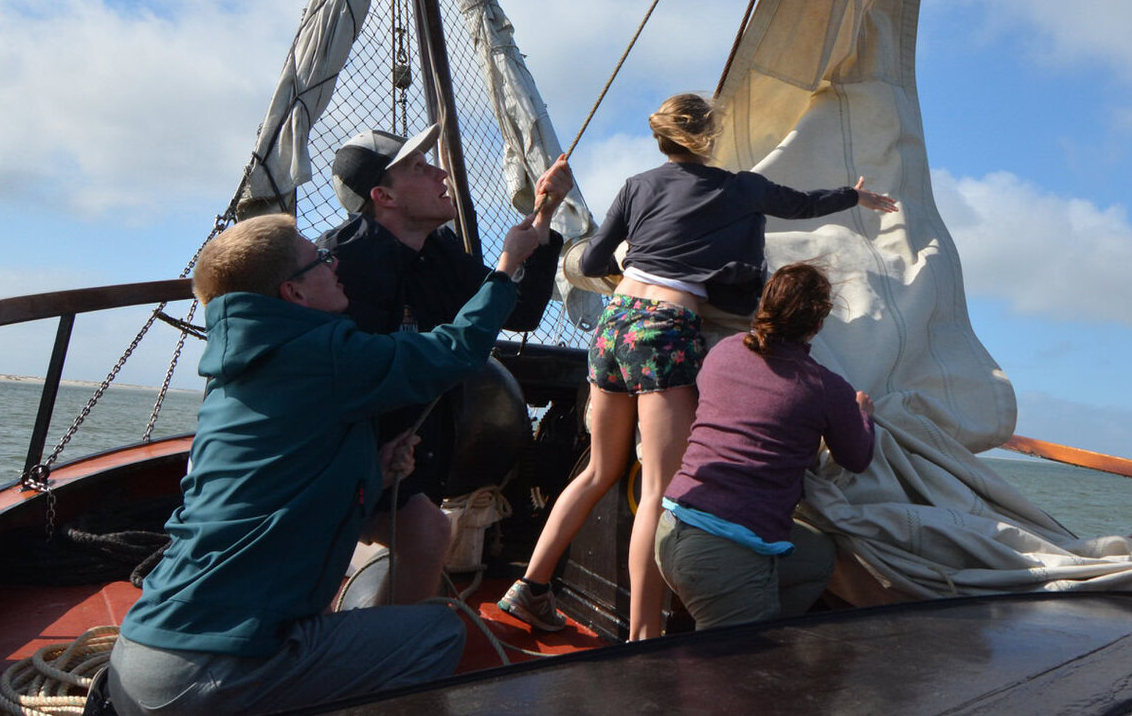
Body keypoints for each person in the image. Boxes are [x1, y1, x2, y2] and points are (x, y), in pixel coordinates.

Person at [105, 211, 542, 716]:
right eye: (322, 260)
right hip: (204, 676)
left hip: (137, 660)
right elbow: (454, 350)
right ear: (294, 292)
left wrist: (372, 472)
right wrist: (509, 264)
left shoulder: (235, 369)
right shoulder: (325, 355)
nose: (336, 266)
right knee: (437, 633)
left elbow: (281, 486)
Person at [498, 93, 898, 641]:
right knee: (660, 488)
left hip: (614, 322)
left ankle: (530, 588)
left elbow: (591, 263)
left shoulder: (637, 185)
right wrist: (853, 197)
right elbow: (801, 204)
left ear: (661, 138)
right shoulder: (742, 189)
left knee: (598, 470)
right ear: (709, 137)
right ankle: (643, 638)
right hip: (664, 329)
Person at [321, 124, 572, 605]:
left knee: (429, 533)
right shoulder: (341, 268)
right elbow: (336, 378)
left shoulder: (436, 253)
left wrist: (545, 214)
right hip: (339, 462)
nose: (442, 174)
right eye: (419, 167)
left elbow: (517, 311)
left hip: (412, 458)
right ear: (383, 196)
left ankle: (397, 649)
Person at [654, 263, 876, 628]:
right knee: (738, 679)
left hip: (671, 529)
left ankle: (757, 614)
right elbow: (857, 458)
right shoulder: (825, 387)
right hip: (721, 555)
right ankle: (747, 621)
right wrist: (863, 414)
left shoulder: (723, 352)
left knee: (818, 557)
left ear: (764, 306)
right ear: (818, 324)